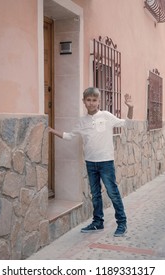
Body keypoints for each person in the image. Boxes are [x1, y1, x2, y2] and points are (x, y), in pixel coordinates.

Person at [48, 87, 133, 237]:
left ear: (99, 101)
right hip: (90, 163)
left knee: (113, 193)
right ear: (84, 102)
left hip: (106, 162)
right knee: (95, 194)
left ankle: (122, 223)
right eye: (89, 100)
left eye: (94, 100)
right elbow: (69, 136)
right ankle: (97, 222)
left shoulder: (106, 116)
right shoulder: (82, 121)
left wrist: (130, 107)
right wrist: (51, 130)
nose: (91, 103)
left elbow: (126, 123)